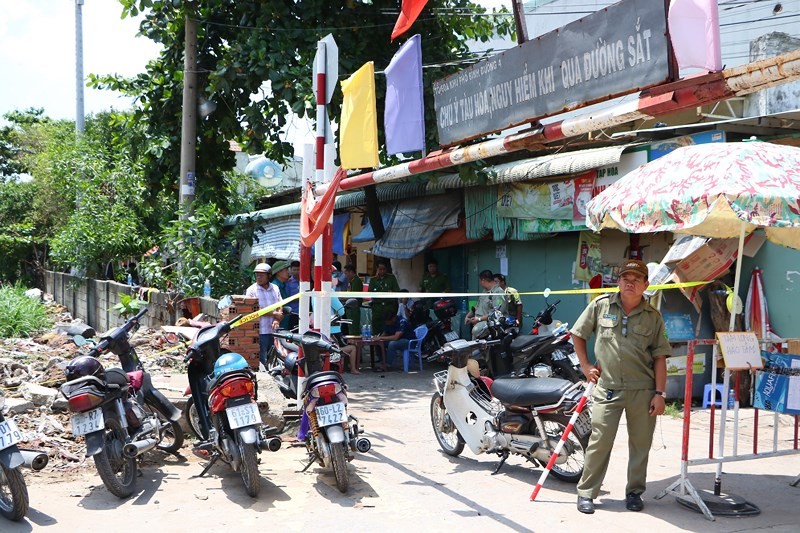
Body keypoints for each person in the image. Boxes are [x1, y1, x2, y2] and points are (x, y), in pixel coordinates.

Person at [571, 259, 671, 515]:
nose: (630, 282)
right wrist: (584, 366)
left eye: (637, 279)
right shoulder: (600, 306)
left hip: (643, 389)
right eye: (626, 277)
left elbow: (660, 357)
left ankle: (634, 492)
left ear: (646, 285)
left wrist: (660, 394)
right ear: (618, 281)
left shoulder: (653, 317)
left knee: (640, 444)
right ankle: (586, 492)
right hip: (608, 387)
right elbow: (578, 333)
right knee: (599, 441)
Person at [245, 262, 284, 368]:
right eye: (257, 275)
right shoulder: (251, 290)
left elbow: (280, 304)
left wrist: (277, 319)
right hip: (260, 331)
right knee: (262, 358)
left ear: (269, 276)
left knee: (275, 357)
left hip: (274, 330)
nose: (259, 277)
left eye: (262, 275)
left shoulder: (275, 288)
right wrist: (274, 314)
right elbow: (254, 309)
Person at [464, 269, 506, 339]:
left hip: (490, 322)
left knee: (476, 330)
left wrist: (479, 319)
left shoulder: (498, 292)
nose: (480, 283)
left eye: (480, 281)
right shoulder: (485, 291)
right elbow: (478, 305)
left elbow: (497, 313)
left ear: (483, 280)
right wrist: (468, 315)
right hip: (478, 320)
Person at [369, 260, 400, 335]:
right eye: (380, 269)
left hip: (389, 308)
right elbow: (370, 293)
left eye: (384, 269)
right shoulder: (373, 280)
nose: (382, 271)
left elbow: (397, 292)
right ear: (377, 269)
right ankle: (375, 345)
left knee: (388, 330)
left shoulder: (391, 278)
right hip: (377, 308)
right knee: (376, 329)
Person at [343, 264, 362, 336]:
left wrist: (342, 297)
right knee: (350, 328)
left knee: (354, 329)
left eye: (346, 273)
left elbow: (353, 296)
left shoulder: (356, 281)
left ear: (351, 272)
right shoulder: (350, 281)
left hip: (354, 308)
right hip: (349, 309)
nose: (345, 275)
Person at [282, 260, 300, 330]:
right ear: (291, 270)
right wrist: (299, 298)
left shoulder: (305, 282)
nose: (296, 272)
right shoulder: (288, 282)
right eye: (294, 270)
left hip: (304, 312)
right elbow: (287, 298)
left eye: (298, 269)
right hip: (293, 312)